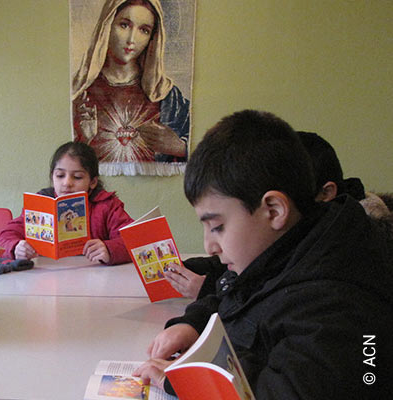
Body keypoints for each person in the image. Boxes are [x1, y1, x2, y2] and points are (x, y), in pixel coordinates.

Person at [132, 110, 392, 398]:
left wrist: (193, 375)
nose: (209, 246)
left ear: (274, 211)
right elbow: (235, 297)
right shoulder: (281, 252)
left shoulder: (337, 302)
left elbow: (285, 393)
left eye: (217, 226)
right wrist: (193, 324)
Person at [168, 129, 386, 299]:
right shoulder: (305, 233)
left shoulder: (345, 257)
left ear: (326, 193)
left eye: (217, 227)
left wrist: (207, 290)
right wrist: (188, 266)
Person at [72, 0, 190, 176]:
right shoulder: (83, 93)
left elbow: (199, 154)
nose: (132, 39)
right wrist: (84, 140)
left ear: (153, 38)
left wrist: (179, 147)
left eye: (144, 30)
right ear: (108, 25)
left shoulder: (167, 96)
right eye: (124, 25)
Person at [0, 141, 134, 265]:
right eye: (60, 175)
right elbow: (3, 238)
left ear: (93, 182)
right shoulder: (40, 203)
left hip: (96, 278)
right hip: (47, 277)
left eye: (77, 177)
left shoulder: (107, 205)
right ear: (52, 177)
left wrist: (109, 249)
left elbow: (134, 241)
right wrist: (16, 248)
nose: (67, 183)